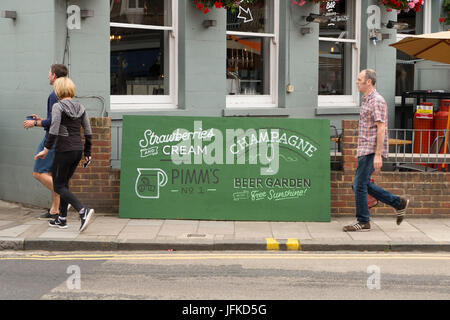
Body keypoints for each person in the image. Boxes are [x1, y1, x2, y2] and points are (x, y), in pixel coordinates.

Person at [343, 69, 409, 232]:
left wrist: (378, 154)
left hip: (371, 150)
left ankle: (364, 221)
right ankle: (398, 202)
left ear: (369, 82)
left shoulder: (377, 101)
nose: (356, 82)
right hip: (364, 149)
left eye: (359, 79)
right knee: (361, 184)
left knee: (359, 185)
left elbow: (381, 128)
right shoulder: (366, 99)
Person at [34, 77, 94, 232]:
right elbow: (88, 131)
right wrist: (87, 153)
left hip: (63, 150)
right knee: (64, 183)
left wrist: (46, 149)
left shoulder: (58, 106)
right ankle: (62, 219)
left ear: (59, 90)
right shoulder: (81, 107)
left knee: (59, 185)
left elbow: (53, 129)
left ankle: (83, 210)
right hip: (77, 151)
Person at [23, 64, 68, 220]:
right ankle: (54, 210)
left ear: (54, 76)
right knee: (50, 173)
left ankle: (65, 198)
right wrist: (42, 120)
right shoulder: (63, 94)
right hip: (61, 138)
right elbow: (55, 120)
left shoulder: (53, 95)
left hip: (52, 139)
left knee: (38, 172)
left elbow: (53, 123)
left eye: (49, 73)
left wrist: (34, 123)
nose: (48, 76)